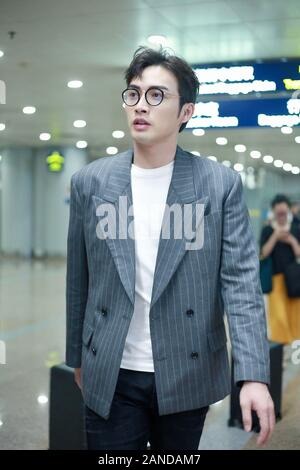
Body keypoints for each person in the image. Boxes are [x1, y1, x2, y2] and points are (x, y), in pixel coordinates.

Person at [66, 47, 275, 451]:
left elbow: (241, 285)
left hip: (186, 367)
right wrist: (79, 357)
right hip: (111, 370)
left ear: (186, 112)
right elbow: (79, 280)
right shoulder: (90, 183)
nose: (141, 105)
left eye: (157, 95)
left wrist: (253, 374)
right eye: (134, 93)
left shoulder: (218, 186)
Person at [260, 194, 300, 344]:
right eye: (279, 213)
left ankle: (294, 352)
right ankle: (280, 351)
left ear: (288, 210)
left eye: (284, 213)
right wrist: (275, 236)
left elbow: (298, 252)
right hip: (275, 280)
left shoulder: (296, 229)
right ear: (274, 212)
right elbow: (263, 253)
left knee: (295, 317)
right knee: (279, 319)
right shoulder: (267, 230)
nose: (282, 216)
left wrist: (291, 241)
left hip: (294, 280)